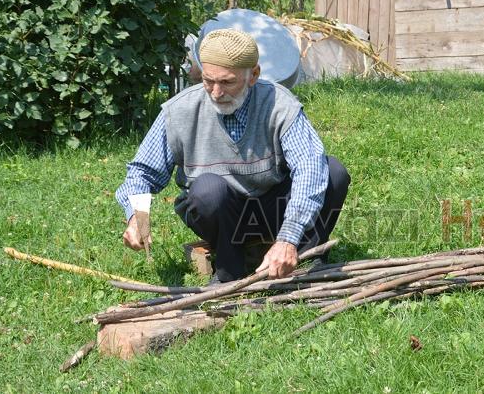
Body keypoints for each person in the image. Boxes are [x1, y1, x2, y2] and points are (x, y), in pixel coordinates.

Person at [115, 29, 350, 284]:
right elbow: (142, 174)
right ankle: (229, 271)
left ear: (253, 75)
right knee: (208, 190)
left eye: (227, 82)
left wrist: (288, 237)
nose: (216, 92)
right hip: (219, 212)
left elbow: (309, 167)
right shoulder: (179, 111)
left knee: (332, 172)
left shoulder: (280, 105)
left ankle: (304, 260)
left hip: (273, 208)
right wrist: (137, 218)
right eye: (208, 81)